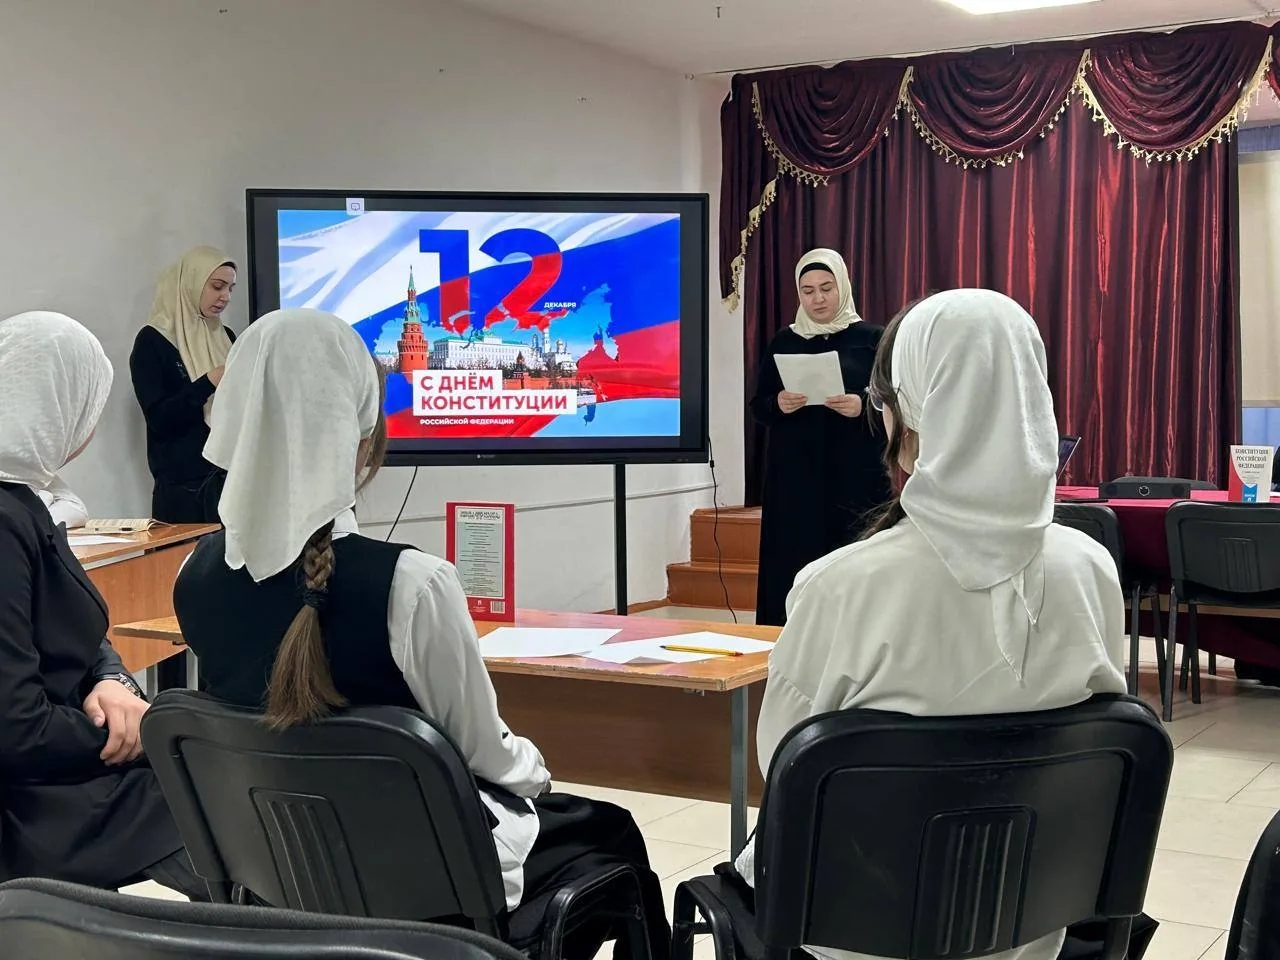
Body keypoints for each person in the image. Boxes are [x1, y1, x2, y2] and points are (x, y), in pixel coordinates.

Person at [172, 309, 671, 960]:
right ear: (360, 433)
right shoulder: (412, 583)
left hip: (276, 877)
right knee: (614, 833)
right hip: (432, 888)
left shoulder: (194, 574)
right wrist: (537, 774)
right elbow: (485, 755)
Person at [732, 290, 1154, 960]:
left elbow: (783, 765)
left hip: (850, 932)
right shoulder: (1092, 570)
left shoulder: (839, 585)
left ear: (907, 418)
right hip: (1035, 924)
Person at [0, 311, 207, 899]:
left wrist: (111, 681)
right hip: (37, 808)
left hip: (56, 770)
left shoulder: (28, 502)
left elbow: (79, 631)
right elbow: (15, 730)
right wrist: (140, 731)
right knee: (220, 790)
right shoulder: (7, 521)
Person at [750, 248, 890, 626]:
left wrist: (864, 405)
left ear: (842, 287)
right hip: (795, 476)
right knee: (794, 557)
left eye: (827, 288)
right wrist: (778, 402)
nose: (818, 299)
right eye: (808, 291)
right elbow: (758, 406)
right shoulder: (785, 340)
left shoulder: (873, 338)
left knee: (854, 559)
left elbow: (897, 401)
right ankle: (787, 636)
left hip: (855, 475)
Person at [130, 246, 237, 524]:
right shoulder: (153, 341)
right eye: (217, 286)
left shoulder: (225, 336)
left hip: (231, 483)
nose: (225, 297)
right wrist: (209, 381)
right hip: (183, 493)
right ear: (190, 283)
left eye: (230, 289)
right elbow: (161, 419)